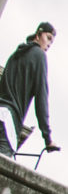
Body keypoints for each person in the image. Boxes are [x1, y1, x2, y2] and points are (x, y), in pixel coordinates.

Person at [0, 21, 55, 159]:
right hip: (8, 120)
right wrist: (47, 138)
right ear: (38, 34)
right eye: (48, 38)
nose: (48, 44)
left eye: (51, 42)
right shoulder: (39, 56)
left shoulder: (15, 55)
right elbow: (41, 98)